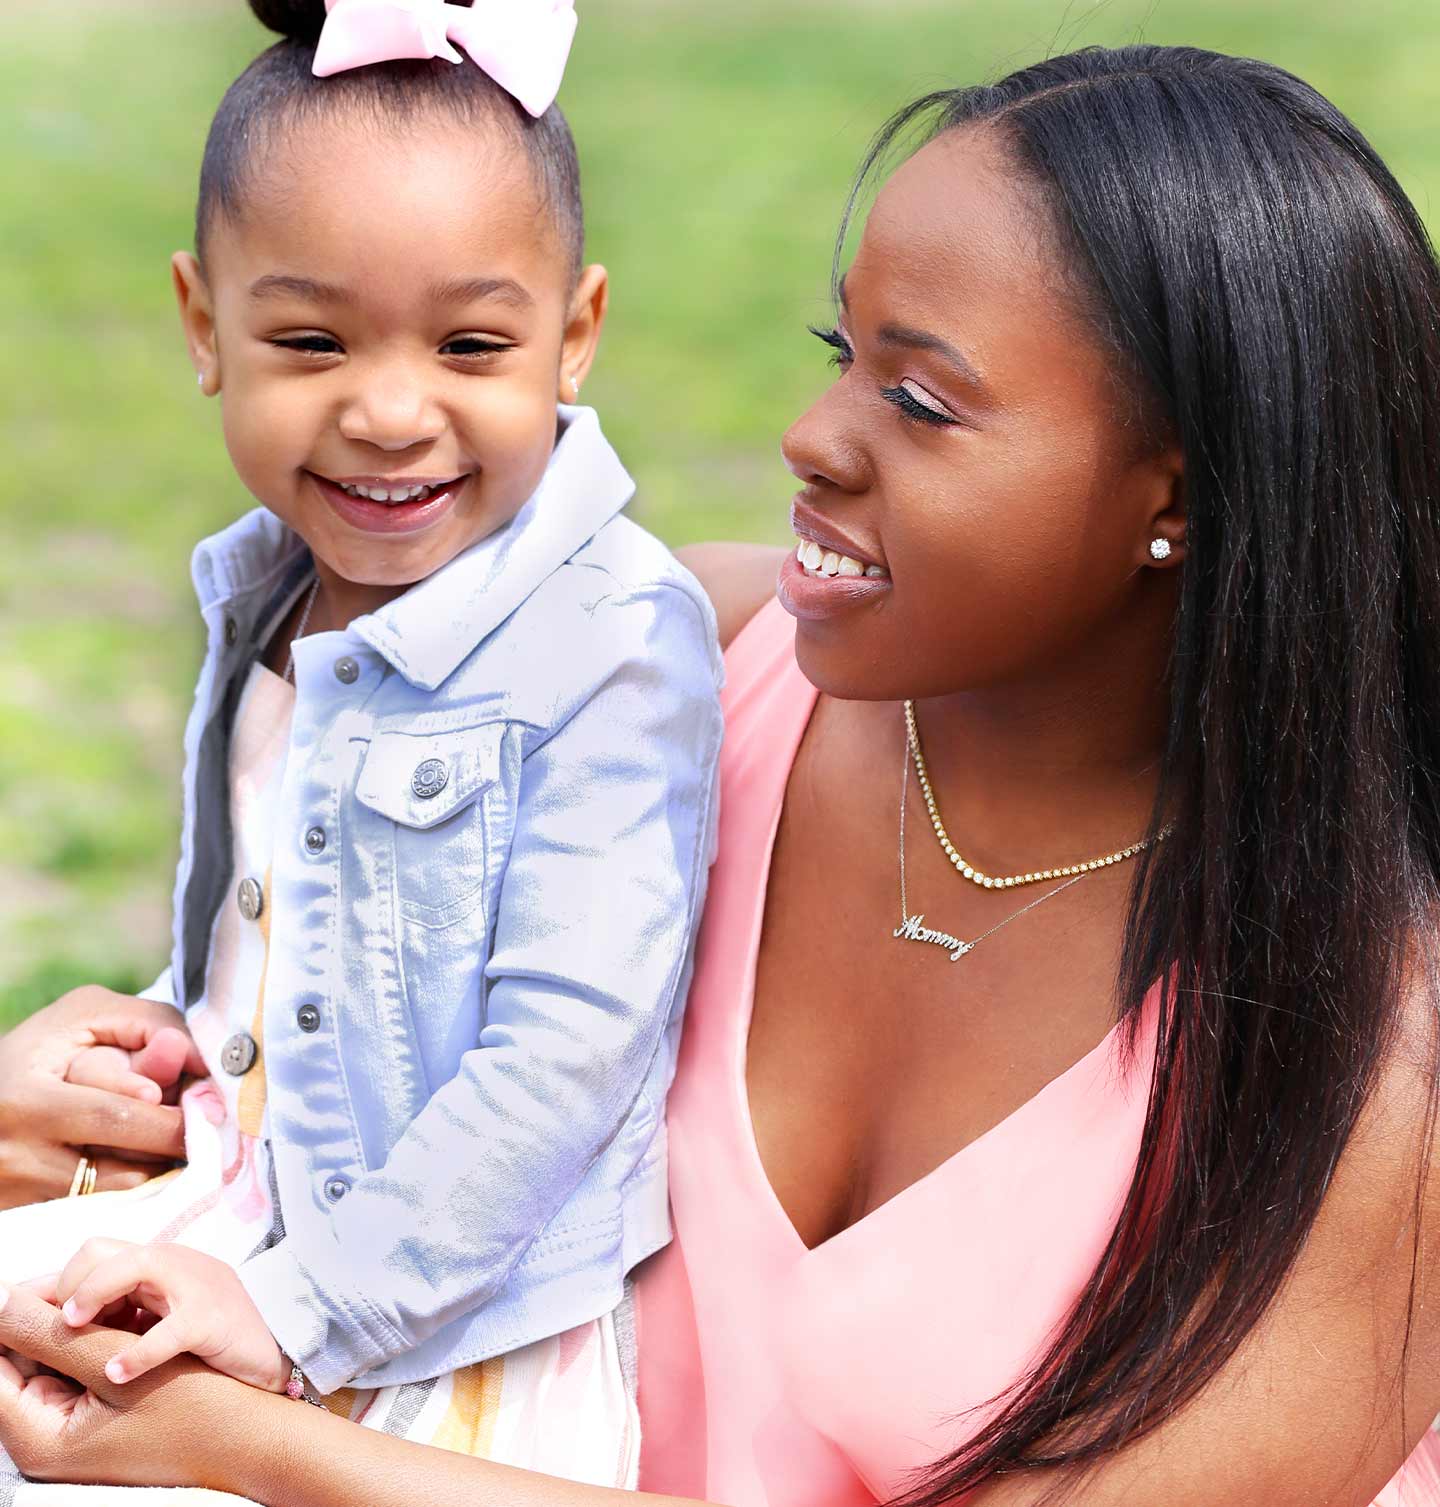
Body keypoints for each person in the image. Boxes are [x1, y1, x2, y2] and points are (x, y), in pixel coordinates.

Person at [4, 38, 1440, 1507]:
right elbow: (324, 1059)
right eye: (844, 357)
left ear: (1178, 499)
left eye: (924, 403)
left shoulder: (1372, 1080)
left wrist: (262, 1451)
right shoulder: (671, 671)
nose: (811, 439)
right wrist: (73, 1125)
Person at [0, 0, 721, 1491]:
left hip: (427, 1324)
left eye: (471, 343)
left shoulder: (607, 639)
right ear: (207, 327)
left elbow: (562, 1064)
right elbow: (299, 931)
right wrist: (185, 1018)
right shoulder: (267, 580)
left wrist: (291, 1308)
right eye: (312, 340)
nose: (391, 412)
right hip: (237, 1204)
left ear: (573, 334)